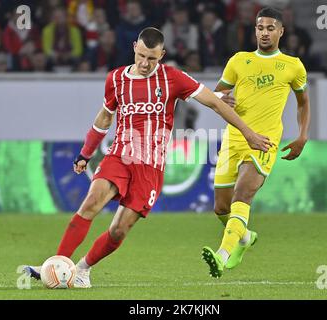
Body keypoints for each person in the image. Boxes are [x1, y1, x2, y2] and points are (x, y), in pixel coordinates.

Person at [24, 27, 272, 288]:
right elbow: (104, 118)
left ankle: (83, 269)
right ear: (134, 48)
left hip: (151, 167)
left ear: (162, 55)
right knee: (91, 203)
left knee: (119, 229)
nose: (144, 63)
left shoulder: (173, 78)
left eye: (151, 58)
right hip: (120, 156)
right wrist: (86, 153)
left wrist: (249, 133)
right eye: (141, 56)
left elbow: (215, 103)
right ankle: (56, 262)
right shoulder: (116, 79)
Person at [202, 7, 310, 278]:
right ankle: (244, 238)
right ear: (255, 31)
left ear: (281, 31)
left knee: (243, 195)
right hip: (233, 139)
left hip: (264, 141)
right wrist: (223, 98)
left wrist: (302, 134)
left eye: (270, 28)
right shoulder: (239, 60)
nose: (264, 32)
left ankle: (222, 255)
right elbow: (217, 94)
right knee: (221, 208)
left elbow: (303, 103)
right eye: (260, 28)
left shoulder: (293, 65)